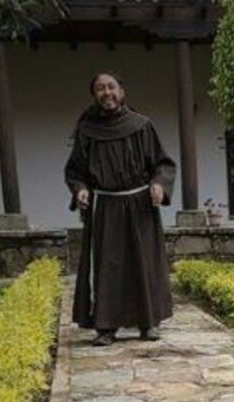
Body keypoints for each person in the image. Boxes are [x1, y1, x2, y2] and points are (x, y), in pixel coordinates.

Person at [65, 72, 176, 346]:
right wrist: (79, 189)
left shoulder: (141, 126)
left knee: (144, 263)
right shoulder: (86, 130)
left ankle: (148, 323)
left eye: (111, 87)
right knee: (108, 266)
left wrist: (159, 184)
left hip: (139, 205)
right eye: (100, 88)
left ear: (122, 92)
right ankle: (106, 326)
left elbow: (162, 164)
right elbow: (75, 170)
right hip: (106, 206)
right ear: (95, 95)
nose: (107, 93)